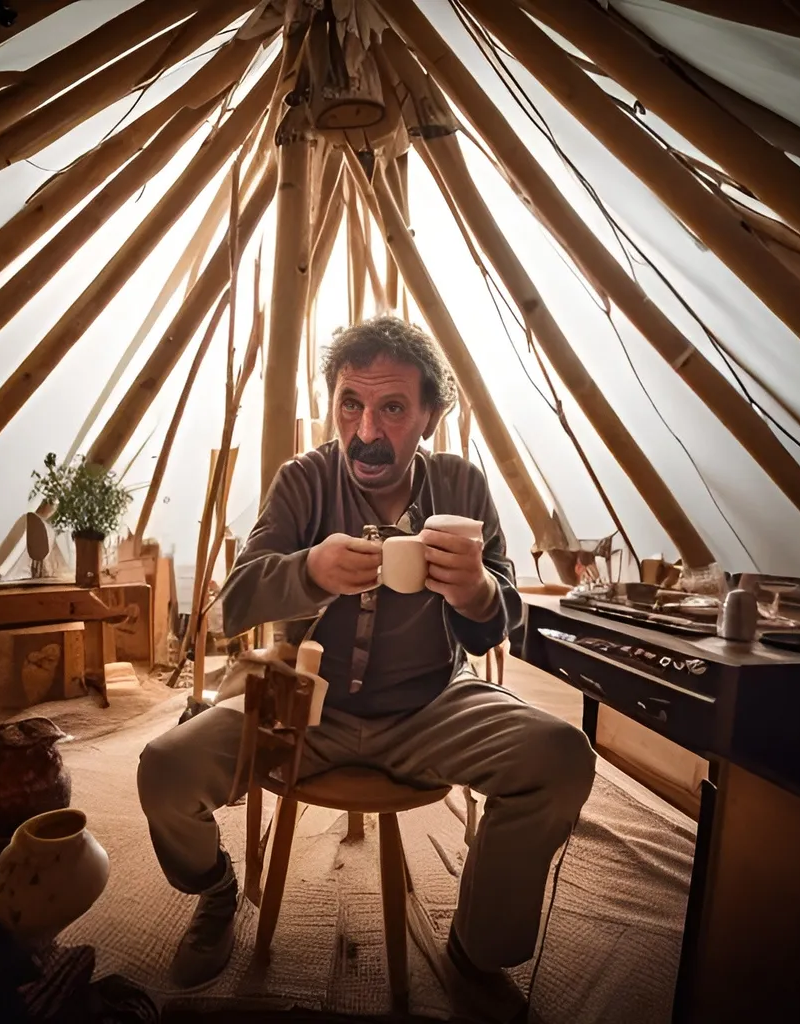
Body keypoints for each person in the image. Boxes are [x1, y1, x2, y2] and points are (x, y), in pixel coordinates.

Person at [137, 316, 596, 1005]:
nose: (366, 430)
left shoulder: (462, 489)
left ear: (429, 417)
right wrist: (310, 570)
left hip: (433, 706)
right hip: (303, 707)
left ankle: (477, 950)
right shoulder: (305, 481)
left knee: (561, 755)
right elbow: (237, 600)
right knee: (164, 769)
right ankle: (215, 887)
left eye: (391, 408)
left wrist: (476, 591)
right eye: (351, 404)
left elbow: (495, 624)